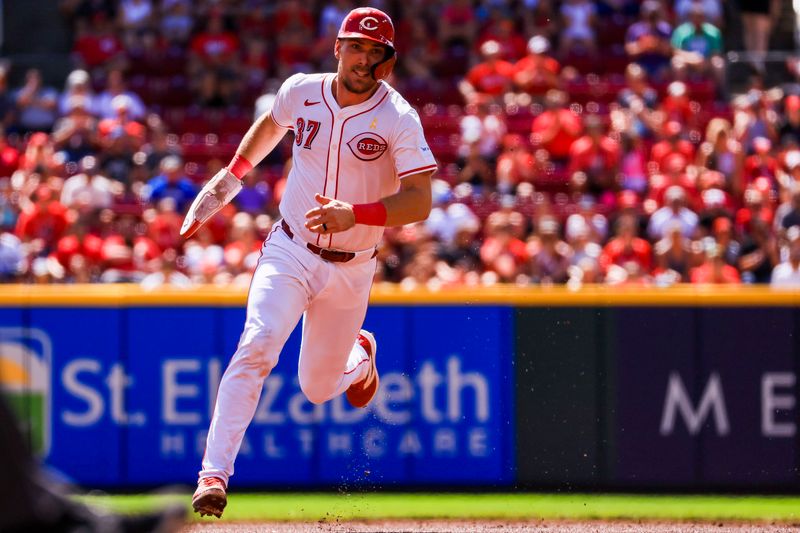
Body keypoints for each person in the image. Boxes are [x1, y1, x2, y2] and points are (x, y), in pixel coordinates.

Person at [181, 7, 436, 518]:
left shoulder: (398, 117)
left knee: (318, 389)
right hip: (291, 247)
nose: (364, 58)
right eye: (356, 46)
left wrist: (357, 214)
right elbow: (271, 123)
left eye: (375, 51)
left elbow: (420, 200)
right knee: (257, 344)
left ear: (387, 60)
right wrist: (233, 175)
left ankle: (361, 356)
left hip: (353, 263)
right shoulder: (302, 89)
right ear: (338, 47)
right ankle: (214, 475)